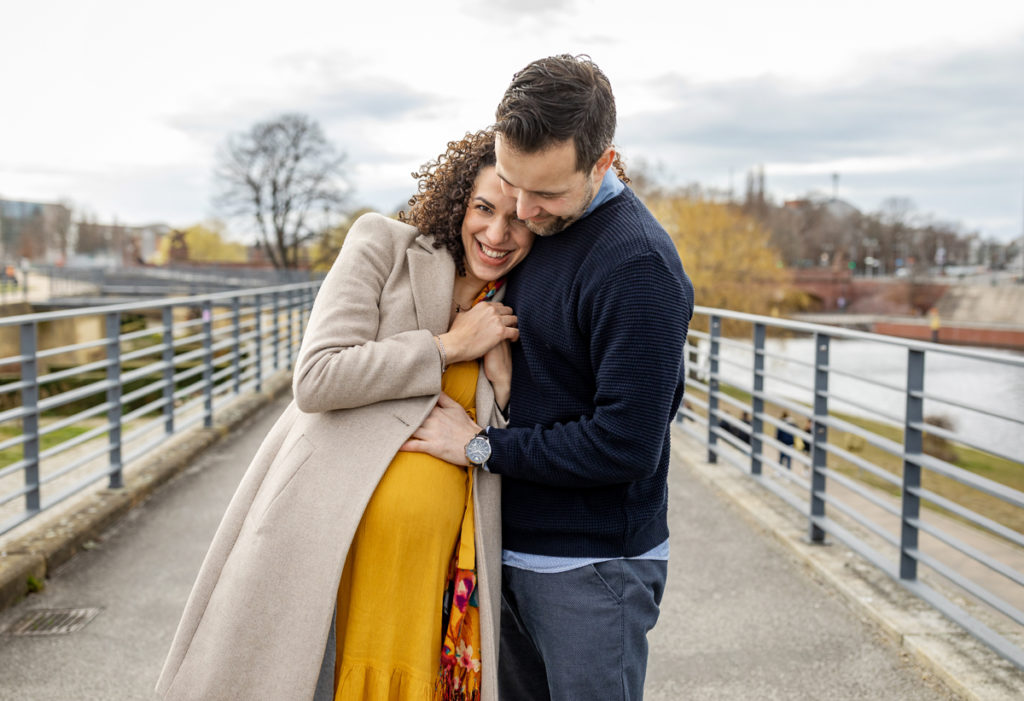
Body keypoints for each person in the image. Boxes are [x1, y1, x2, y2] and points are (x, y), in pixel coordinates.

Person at [156, 130, 531, 701]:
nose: (497, 234)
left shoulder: (523, 300)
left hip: (440, 584)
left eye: (518, 218)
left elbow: (510, 449)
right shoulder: (384, 244)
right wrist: (447, 348)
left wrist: (504, 390)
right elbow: (318, 377)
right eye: (483, 208)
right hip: (329, 555)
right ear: (461, 200)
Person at [403, 55, 694, 700]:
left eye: (548, 194)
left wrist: (480, 446)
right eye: (513, 182)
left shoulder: (636, 264)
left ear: (603, 162)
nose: (525, 209)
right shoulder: (535, 229)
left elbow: (625, 444)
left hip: (591, 570)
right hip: (506, 547)